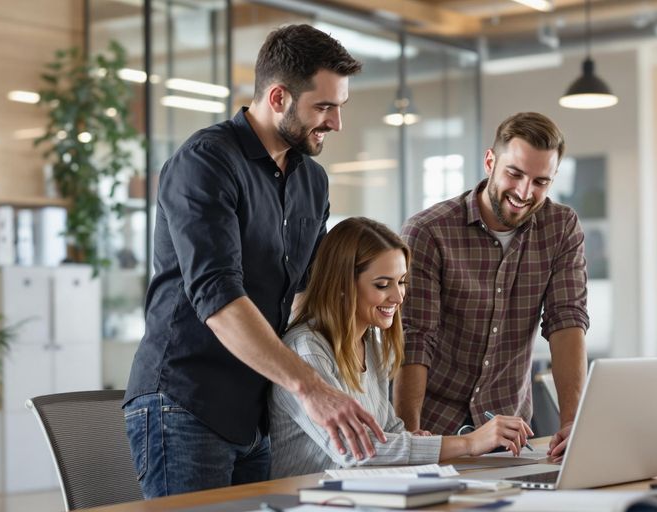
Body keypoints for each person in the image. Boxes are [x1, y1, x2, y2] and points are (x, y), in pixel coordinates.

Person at [123, 25, 387, 498]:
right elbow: (219, 298)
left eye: (339, 107)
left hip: (259, 405)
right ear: (279, 97)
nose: (336, 123)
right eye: (324, 107)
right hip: (186, 403)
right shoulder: (205, 162)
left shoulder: (312, 181)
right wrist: (311, 388)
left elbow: (307, 295)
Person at [269, 217, 534, 478]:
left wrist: (410, 439)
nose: (398, 297)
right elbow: (356, 450)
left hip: (361, 497)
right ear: (342, 285)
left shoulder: (369, 341)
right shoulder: (306, 350)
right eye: (382, 285)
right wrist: (470, 443)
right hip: (311, 501)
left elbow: (386, 428)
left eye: (402, 281)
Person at [395, 112, 589, 462]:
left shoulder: (561, 227)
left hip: (508, 434)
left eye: (541, 182)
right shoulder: (429, 232)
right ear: (490, 161)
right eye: (514, 174)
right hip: (435, 429)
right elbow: (414, 337)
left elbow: (566, 320)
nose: (524, 192)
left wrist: (573, 423)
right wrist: (409, 439)